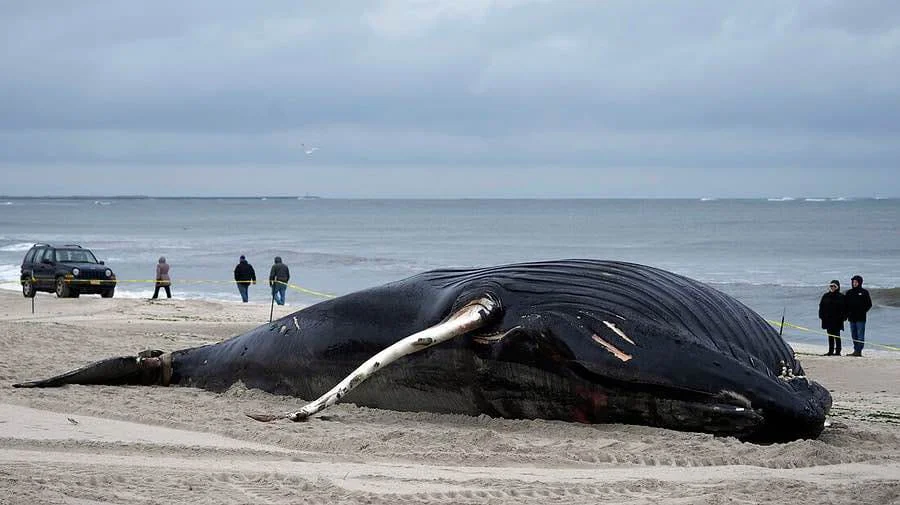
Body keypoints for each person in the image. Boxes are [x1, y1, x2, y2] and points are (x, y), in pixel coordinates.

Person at [845, 274, 873, 357]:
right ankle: (855, 350)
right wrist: (847, 313)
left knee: (860, 335)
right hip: (851, 317)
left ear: (860, 282)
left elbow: (869, 304)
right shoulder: (849, 292)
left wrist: (863, 311)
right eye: (853, 282)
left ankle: (859, 351)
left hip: (861, 318)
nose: (854, 283)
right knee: (854, 335)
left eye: (856, 282)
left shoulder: (864, 292)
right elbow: (845, 304)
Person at [818, 280, 846, 356]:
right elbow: (821, 306)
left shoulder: (841, 296)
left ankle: (838, 351)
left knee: (837, 335)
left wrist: (843, 318)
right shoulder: (826, 295)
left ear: (837, 287)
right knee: (830, 335)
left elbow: (845, 309)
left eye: (834, 286)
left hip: (837, 320)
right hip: (827, 319)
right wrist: (821, 316)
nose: (833, 287)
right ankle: (830, 351)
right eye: (831, 286)